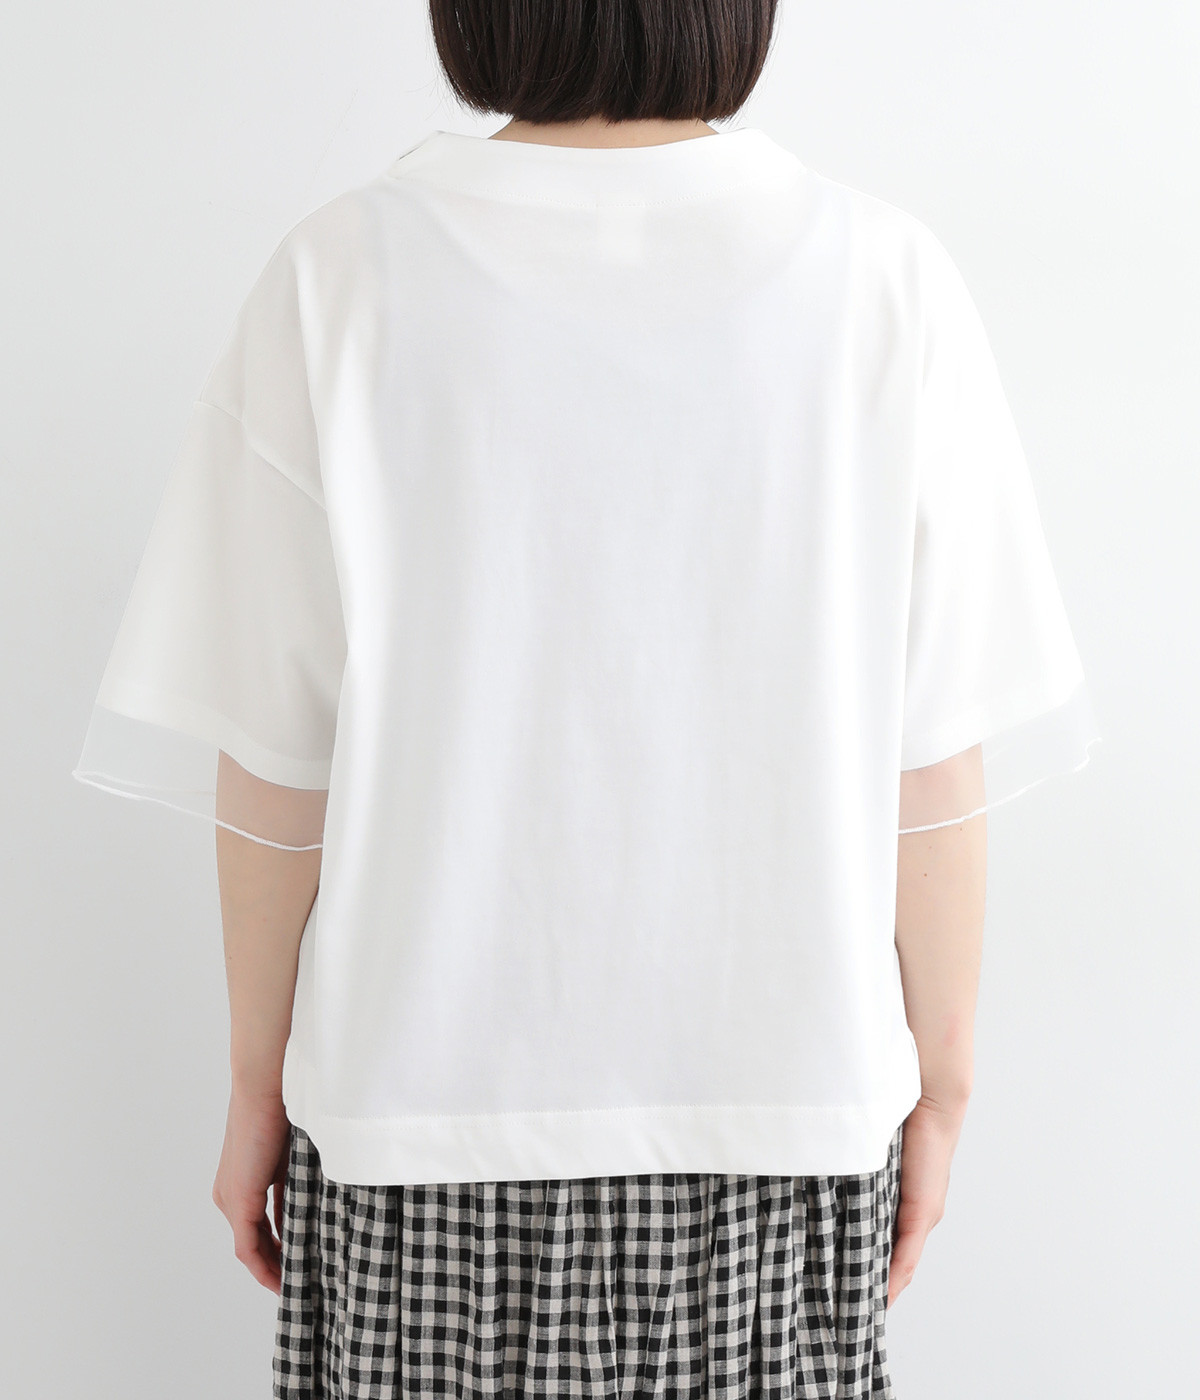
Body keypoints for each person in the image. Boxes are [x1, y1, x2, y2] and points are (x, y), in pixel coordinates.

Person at [71, 2, 1102, 1396]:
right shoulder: (884, 279)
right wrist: (946, 1076)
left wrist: (257, 1079)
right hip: (779, 1125)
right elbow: (932, 760)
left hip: (416, 1133)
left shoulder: (341, 275)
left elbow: (273, 764)